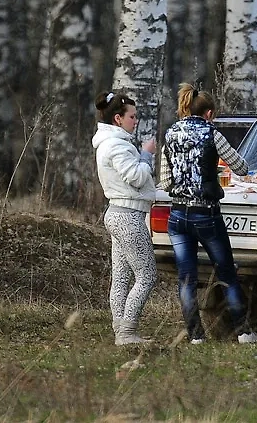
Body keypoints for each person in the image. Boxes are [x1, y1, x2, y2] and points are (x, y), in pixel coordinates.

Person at [160, 83, 257, 344]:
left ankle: (195, 335)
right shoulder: (211, 133)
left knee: (187, 279)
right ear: (209, 113)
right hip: (206, 213)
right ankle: (244, 332)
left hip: (178, 216)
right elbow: (240, 166)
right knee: (226, 273)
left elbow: (165, 182)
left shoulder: (170, 134)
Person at [92, 91, 158, 346]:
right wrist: (146, 154)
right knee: (147, 275)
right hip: (127, 217)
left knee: (121, 276)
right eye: (133, 116)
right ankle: (127, 331)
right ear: (118, 119)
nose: (136, 120)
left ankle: (121, 330)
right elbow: (137, 177)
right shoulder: (117, 145)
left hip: (118, 213)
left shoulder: (109, 143)